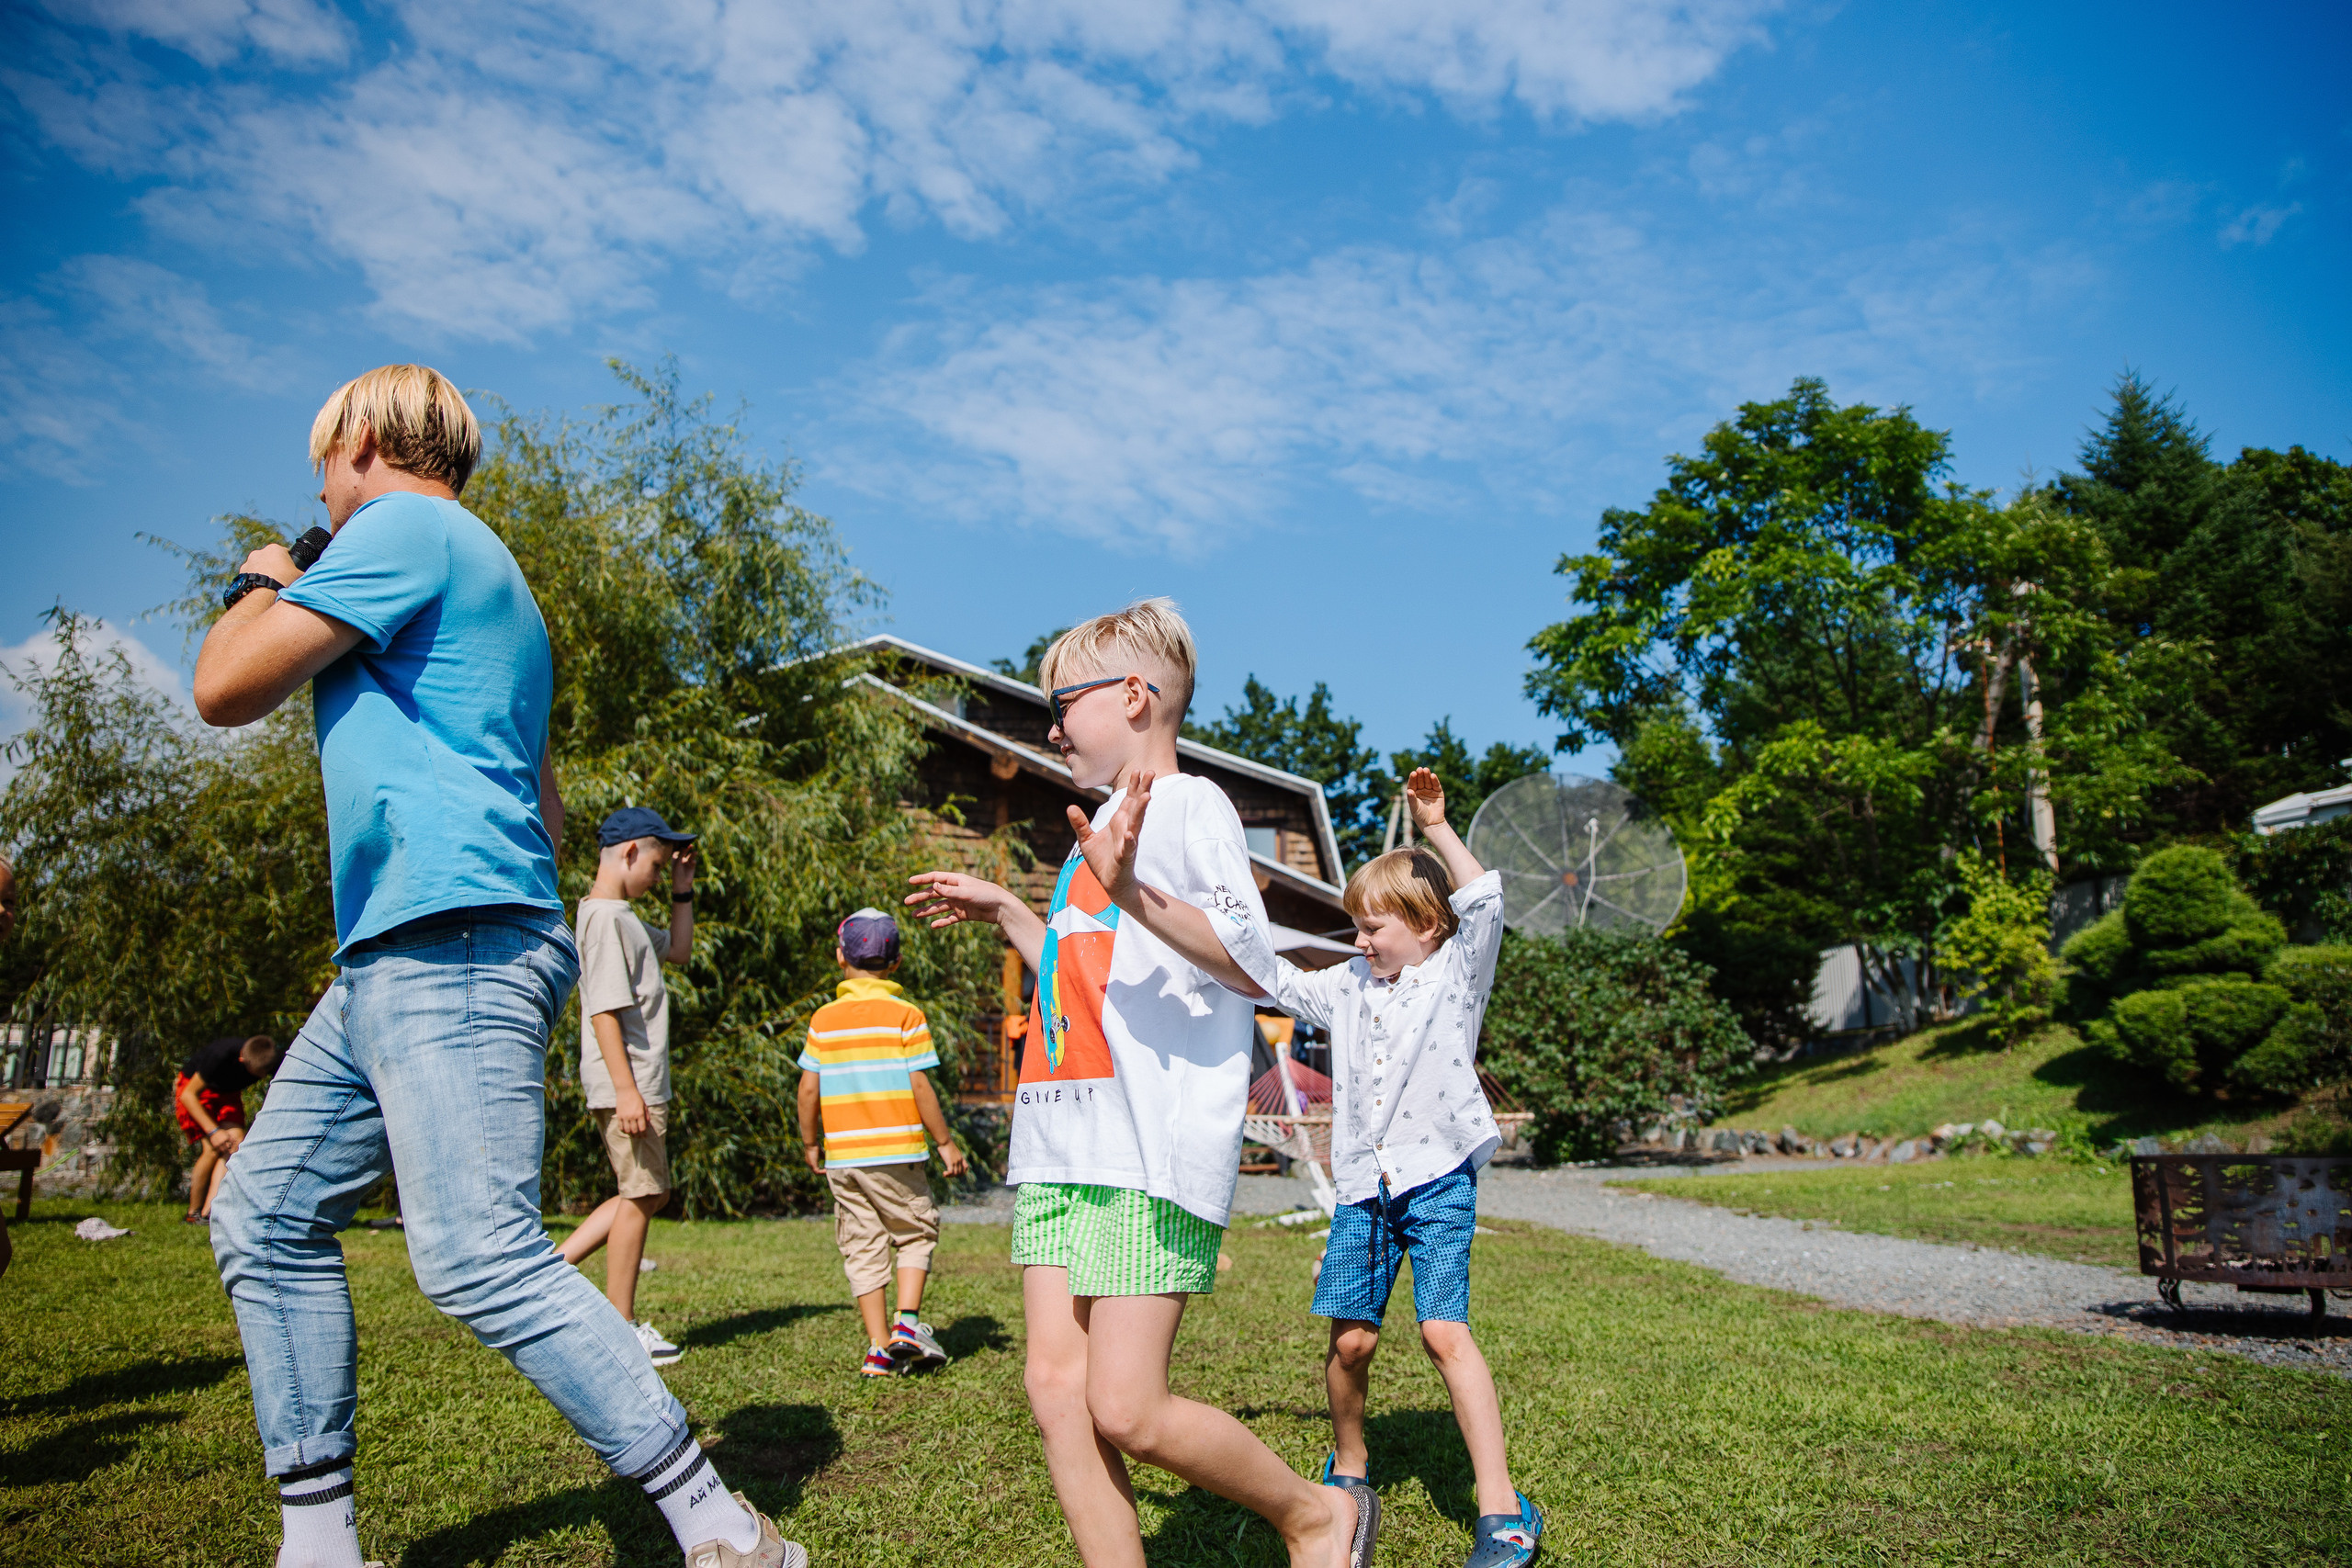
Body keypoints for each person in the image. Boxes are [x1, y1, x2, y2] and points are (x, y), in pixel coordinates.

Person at [194, 364, 801, 1568]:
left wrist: (263, 575)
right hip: (401, 943)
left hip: (450, 934)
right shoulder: (485, 578)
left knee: (475, 1249)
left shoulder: (406, 526)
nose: (318, 482)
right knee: (262, 1217)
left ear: (365, 438)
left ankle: (724, 1527)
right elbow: (552, 807)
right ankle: (319, 1544)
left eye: (323, 458)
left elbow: (223, 684)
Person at [906, 599, 1377, 1568]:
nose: (1050, 725)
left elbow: (1253, 968)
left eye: (1061, 703)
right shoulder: (1096, 837)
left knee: (1125, 1405)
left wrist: (1132, 893)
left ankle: (1316, 1517)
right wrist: (1008, 909)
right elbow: (1088, 980)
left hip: (1143, 1153)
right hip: (1062, 1141)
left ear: (1132, 697)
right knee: (1052, 1388)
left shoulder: (1188, 809)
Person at [1272, 769, 1543, 1568]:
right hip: (1363, 1185)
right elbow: (1273, 975)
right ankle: (1349, 1467)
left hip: (1437, 1175)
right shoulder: (1349, 986)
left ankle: (1499, 1504)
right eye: (1354, 926)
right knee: (1351, 1340)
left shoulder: (1455, 976)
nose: (1359, 940)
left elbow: (1486, 900)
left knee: (1441, 1329)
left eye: (1372, 926)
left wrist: (1435, 828)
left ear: (1426, 924)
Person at [555, 807, 701, 1369]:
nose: (661, 877)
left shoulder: (624, 916)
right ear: (631, 852)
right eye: (661, 867)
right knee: (642, 1195)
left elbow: (680, 951)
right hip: (629, 1080)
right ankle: (619, 1326)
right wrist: (626, 1090)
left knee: (646, 1191)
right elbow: (605, 1011)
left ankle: (555, 1268)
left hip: (639, 1080)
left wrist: (683, 893)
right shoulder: (605, 918)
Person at [797, 908, 968, 1379]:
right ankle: (908, 1325)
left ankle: (877, 1349)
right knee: (914, 1231)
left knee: (862, 1246)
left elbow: (808, 1088)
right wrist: (946, 1142)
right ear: (895, 964)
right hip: (897, 1151)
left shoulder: (823, 1020)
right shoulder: (905, 1016)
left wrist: (812, 1143)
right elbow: (919, 1086)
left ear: (840, 957)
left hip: (845, 1156)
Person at [175, 1034, 283, 1223]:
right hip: (196, 1091)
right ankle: (193, 1213)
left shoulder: (270, 1059)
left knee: (235, 1143)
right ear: (241, 1059)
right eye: (252, 1072)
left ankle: (210, 1212)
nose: (256, 1077)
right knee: (211, 1148)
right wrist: (213, 1131)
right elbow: (188, 1096)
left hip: (227, 1094)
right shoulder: (220, 1055)